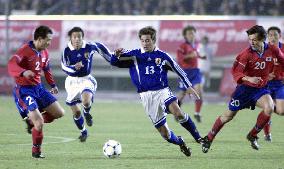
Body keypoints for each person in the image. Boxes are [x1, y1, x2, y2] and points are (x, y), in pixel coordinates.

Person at [111, 26, 203, 157]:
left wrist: (189, 86)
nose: (145, 43)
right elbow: (114, 62)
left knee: (178, 113)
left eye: (147, 40)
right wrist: (115, 55)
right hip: (146, 96)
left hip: (162, 91)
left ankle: (198, 137)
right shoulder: (134, 55)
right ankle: (180, 142)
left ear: (153, 40)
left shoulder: (163, 56)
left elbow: (178, 69)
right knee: (165, 134)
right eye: (142, 41)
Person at [201, 25, 284, 153]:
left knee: (269, 107)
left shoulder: (273, 49)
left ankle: (252, 135)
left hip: (260, 89)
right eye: (250, 39)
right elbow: (236, 73)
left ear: (262, 38)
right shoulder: (245, 54)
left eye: (254, 39)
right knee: (228, 116)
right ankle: (209, 137)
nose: (251, 42)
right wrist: (248, 78)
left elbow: (282, 61)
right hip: (244, 90)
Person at [8, 25, 65, 158]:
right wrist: (23, 72)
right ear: (39, 39)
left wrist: (52, 84)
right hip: (24, 91)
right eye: (48, 40)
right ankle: (36, 151)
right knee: (39, 123)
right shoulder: (24, 50)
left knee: (59, 113)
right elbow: (12, 64)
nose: (49, 43)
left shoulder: (45, 52)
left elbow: (47, 69)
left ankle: (31, 122)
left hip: (39, 88)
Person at [61, 27, 114, 142]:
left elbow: (104, 51)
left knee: (86, 101)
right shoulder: (66, 50)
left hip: (86, 79)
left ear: (82, 37)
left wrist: (113, 59)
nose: (77, 39)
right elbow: (64, 67)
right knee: (76, 112)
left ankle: (87, 112)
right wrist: (74, 68)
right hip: (72, 81)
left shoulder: (90, 46)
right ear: (70, 38)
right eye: (74, 37)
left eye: (79, 36)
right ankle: (83, 132)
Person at [176, 25, 205, 123]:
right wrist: (190, 56)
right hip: (185, 72)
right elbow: (179, 59)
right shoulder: (182, 46)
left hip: (195, 71)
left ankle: (197, 113)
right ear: (185, 35)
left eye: (193, 33)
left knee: (199, 91)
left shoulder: (196, 45)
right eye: (189, 33)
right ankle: (176, 112)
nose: (191, 35)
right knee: (182, 94)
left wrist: (201, 57)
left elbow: (196, 54)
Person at [262, 26, 284, 142]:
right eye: (270, 35)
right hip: (267, 85)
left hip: (280, 84)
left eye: (275, 35)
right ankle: (267, 134)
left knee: (281, 111)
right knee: (268, 108)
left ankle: (268, 109)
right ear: (267, 37)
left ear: (279, 36)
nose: (273, 37)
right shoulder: (264, 50)